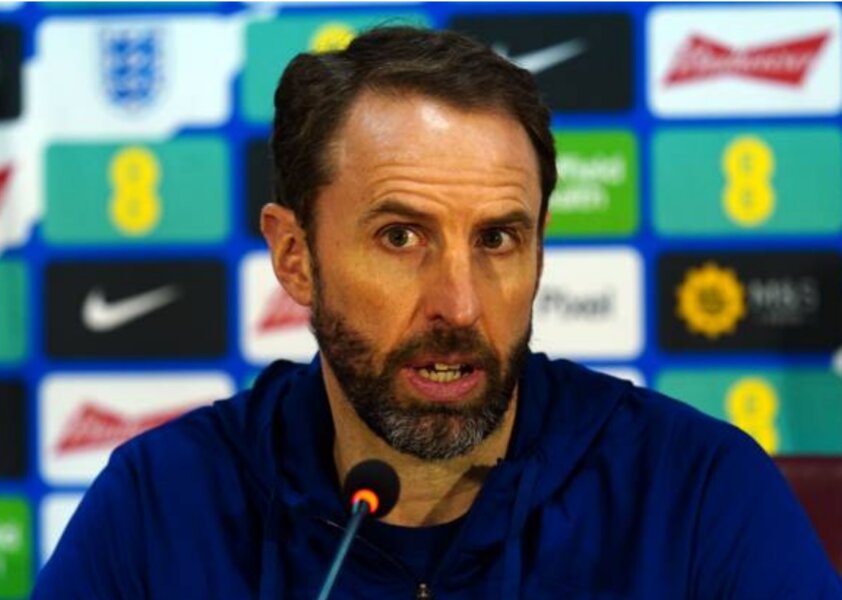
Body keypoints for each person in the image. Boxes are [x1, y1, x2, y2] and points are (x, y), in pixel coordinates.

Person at [34, 26, 841, 599]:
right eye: (400, 236)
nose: (459, 305)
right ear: (296, 256)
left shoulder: (693, 492)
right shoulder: (163, 505)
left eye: (497, 239)